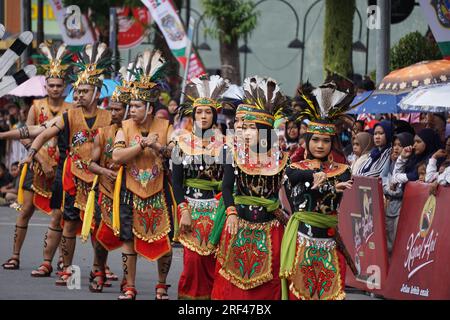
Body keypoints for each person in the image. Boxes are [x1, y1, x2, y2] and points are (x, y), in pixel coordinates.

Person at [22, 42, 113, 285]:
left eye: (83, 91)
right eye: (78, 90)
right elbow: (44, 133)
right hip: (73, 178)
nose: (78, 94)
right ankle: (67, 269)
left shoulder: (109, 117)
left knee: (98, 227)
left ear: (95, 92)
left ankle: (98, 269)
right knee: (69, 225)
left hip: (98, 180)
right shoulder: (69, 115)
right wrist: (32, 151)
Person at [211, 76, 290, 300]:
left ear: (265, 131)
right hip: (239, 225)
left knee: (268, 287)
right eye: (242, 128)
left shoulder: (281, 159)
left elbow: (294, 189)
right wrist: (232, 213)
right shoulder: (233, 155)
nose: (244, 133)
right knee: (231, 286)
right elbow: (227, 188)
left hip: (271, 229)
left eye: (251, 128)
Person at [280, 74, 356, 300]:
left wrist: (329, 185)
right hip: (302, 239)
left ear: (332, 143)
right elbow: (292, 175)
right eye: (315, 140)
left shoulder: (342, 170)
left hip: (330, 243)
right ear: (307, 141)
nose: (320, 145)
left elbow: (339, 184)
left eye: (325, 141)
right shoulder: (295, 167)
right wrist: (315, 177)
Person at [2, 43, 72, 271]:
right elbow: (26, 134)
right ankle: (15, 255)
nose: (54, 88)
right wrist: (39, 158)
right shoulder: (36, 106)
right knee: (26, 211)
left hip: (60, 168)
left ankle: (59, 259)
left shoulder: (70, 109)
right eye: (50, 85)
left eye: (58, 85)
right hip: (36, 166)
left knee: (60, 215)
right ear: (46, 86)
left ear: (64, 86)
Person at [112, 50, 175, 300]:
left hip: (159, 190)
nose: (132, 110)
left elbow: (174, 152)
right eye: (131, 105)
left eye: (137, 106)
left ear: (149, 107)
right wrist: (141, 145)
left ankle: (161, 285)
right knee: (128, 240)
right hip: (131, 189)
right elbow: (117, 157)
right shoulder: (124, 127)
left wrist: (158, 146)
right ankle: (130, 286)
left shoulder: (165, 126)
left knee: (166, 240)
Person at [172, 75, 230, 299]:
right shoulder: (181, 143)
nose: (203, 116)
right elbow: (176, 183)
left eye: (208, 112)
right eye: (199, 112)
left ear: (214, 115)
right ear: (193, 115)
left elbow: (228, 182)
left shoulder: (225, 145)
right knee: (193, 262)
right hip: (191, 209)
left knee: (214, 263)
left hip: (217, 209)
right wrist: (183, 210)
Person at [83, 73, 131, 292]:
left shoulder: (136, 134)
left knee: (130, 238)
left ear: (128, 110)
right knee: (101, 236)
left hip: (131, 192)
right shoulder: (102, 134)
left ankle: (128, 280)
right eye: (111, 109)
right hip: (106, 190)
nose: (113, 113)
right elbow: (91, 164)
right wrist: (103, 171)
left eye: (118, 109)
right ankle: (99, 271)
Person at [380, 132, 414, 254]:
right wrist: (390, 161)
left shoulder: (409, 164)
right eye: (394, 144)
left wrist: (389, 190)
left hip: (401, 207)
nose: (396, 148)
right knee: (387, 239)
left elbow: (399, 191)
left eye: (400, 145)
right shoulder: (393, 162)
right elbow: (382, 178)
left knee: (396, 241)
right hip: (389, 206)